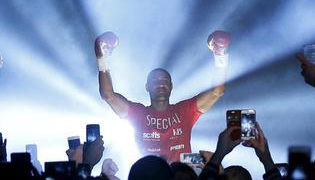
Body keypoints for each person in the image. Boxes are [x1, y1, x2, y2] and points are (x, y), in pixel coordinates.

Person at [93, 29, 230, 160]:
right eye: (155, 80)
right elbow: (108, 95)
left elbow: (217, 91)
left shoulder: (184, 111)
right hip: (149, 179)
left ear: (171, 86)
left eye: (165, 80)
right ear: (147, 87)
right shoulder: (138, 113)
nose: (160, 83)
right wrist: (102, 58)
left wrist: (220, 55)